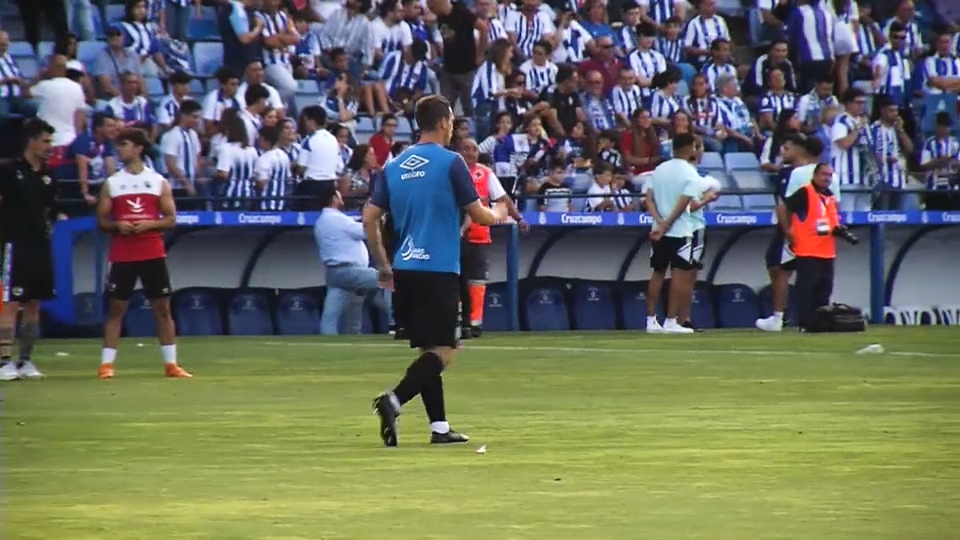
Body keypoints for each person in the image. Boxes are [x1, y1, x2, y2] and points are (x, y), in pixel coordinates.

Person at [362, 95, 503, 447]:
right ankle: (394, 400)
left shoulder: (393, 166)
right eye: (452, 119)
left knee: (429, 350)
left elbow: (369, 218)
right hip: (438, 268)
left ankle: (439, 429)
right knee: (446, 352)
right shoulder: (451, 162)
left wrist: (382, 264)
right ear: (443, 123)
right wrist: (500, 213)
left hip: (405, 267)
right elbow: (480, 215)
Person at [95, 128, 191, 379]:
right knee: (116, 309)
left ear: (138, 148)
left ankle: (171, 364)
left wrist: (149, 224)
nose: (119, 150)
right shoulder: (112, 183)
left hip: (152, 251)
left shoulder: (158, 181)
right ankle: (106, 365)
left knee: (162, 308)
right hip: (123, 253)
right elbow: (102, 221)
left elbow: (171, 219)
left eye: (124, 145)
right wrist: (118, 226)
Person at [757, 135, 839, 332]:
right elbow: (835, 205)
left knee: (781, 271)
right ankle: (819, 317)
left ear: (802, 150)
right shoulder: (832, 175)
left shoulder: (797, 174)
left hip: (799, 232)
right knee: (819, 278)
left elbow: (786, 205)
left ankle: (778, 317)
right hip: (823, 235)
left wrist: (787, 231)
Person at [0, 120, 60, 381]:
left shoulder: (48, 175)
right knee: (10, 303)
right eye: (46, 141)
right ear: (31, 140)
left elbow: (49, 209)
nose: (49, 147)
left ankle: (25, 360)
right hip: (14, 244)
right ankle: (3, 361)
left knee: (34, 302)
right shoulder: (9, 171)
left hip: (39, 245)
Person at [458, 137, 525, 338]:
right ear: (458, 151)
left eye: (474, 150)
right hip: (453, 235)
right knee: (455, 280)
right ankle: (458, 321)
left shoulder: (485, 173)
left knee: (477, 281)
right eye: (466, 149)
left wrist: (518, 217)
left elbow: (502, 198)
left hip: (478, 235)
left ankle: (475, 322)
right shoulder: (449, 172)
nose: (471, 153)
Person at [644, 133, 704, 335]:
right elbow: (684, 203)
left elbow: (649, 199)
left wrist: (659, 223)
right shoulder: (690, 172)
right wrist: (667, 224)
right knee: (680, 274)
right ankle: (671, 321)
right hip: (680, 230)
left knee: (657, 272)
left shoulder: (659, 169)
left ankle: (651, 320)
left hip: (657, 230)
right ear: (690, 148)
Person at [315, 189, 390, 335]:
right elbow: (367, 231)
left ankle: (335, 344)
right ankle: (399, 322)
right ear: (333, 199)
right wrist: (376, 216)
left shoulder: (321, 221)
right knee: (390, 280)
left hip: (335, 274)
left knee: (330, 318)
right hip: (351, 271)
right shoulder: (336, 218)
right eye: (338, 195)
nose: (341, 197)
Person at [783, 163, 841, 331]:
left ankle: (821, 323)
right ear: (815, 175)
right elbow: (785, 207)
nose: (827, 178)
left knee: (824, 289)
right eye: (823, 174)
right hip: (807, 250)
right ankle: (805, 324)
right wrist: (788, 231)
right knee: (807, 289)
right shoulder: (805, 192)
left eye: (830, 175)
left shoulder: (829, 195)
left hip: (827, 250)